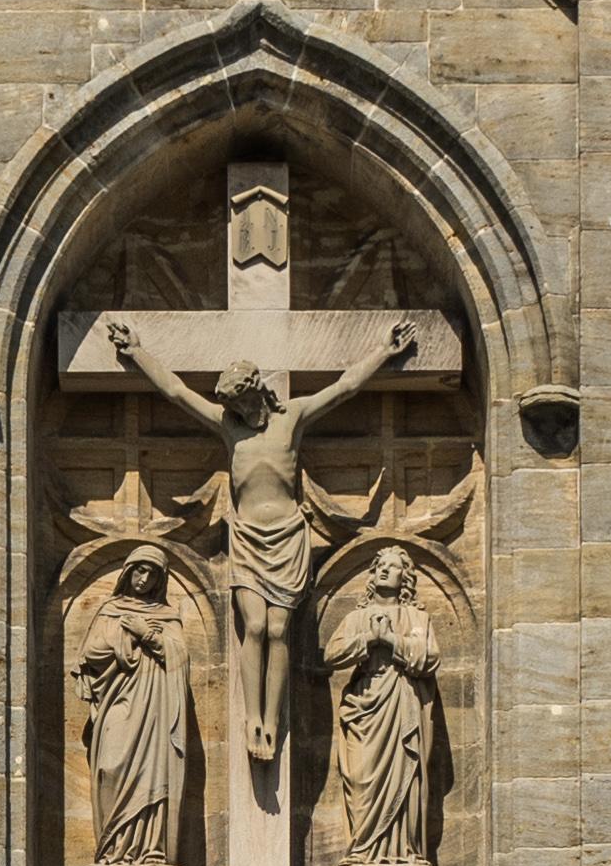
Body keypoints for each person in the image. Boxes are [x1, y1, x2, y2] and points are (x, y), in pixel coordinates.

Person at [102, 313, 415, 760]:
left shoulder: (293, 418)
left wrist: (383, 353)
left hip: (288, 536)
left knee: (279, 627)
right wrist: (136, 354)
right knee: (253, 625)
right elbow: (175, 392)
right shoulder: (229, 427)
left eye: (243, 405)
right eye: (233, 408)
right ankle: (253, 720)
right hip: (248, 536)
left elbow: (345, 387)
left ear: (258, 394)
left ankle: (273, 719)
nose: (238, 414)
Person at [323, 546, 439, 866]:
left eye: (393, 567)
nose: (385, 571)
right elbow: (331, 655)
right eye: (380, 567)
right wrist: (367, 640)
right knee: (360, 778)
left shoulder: (419, 618)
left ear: (405, 578)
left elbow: (430, 657)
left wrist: (392, 642)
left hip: (402, 701)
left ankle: (405, 851)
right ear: (372, 576)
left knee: (405, 772)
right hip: (366, 704)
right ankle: (362, 848)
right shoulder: (356, 618)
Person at [73, 554, 190, 866]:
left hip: (155, 708)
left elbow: (179, 658)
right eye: (140, 572)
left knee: (153, 772)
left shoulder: (166, 615)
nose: (144, 580)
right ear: (128, 573)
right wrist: (126, 638)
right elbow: (91, 653)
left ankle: (150, 848)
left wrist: (147, 634)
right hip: (118, 701)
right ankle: (113, 849)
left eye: (152, 575)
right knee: (110, 767)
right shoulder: (110, 611)